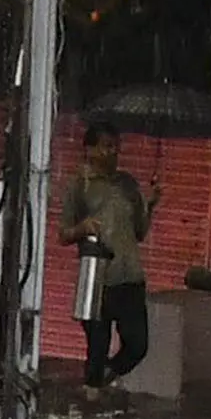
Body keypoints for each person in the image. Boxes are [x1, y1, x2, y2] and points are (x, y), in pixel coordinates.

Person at [65, 123, 157, 394]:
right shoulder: (80, 186)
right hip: (98, 278)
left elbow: (139, 232)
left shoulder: (127, 184)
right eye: (106, 146)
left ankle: (103, 379)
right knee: (97, 347)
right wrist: (83, 228)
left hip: (130, 276)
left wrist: (150, 205)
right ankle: (91, 399)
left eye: (116, 146)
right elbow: (63, 234)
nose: (113, 151)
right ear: (89, 149)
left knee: (138, 345)